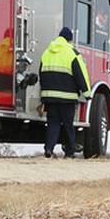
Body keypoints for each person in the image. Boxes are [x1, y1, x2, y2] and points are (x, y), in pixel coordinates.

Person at [39, 26, 89, 158]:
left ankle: (49, 148)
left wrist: (43, 93)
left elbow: (41, 73)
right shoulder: (72, 53)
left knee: (53, 123)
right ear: (70, 40)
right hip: (67, 97)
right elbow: (80, 74)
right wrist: (87, 93)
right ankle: (69, 152)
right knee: (68, 124)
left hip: (49, 96)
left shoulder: (47, 52)